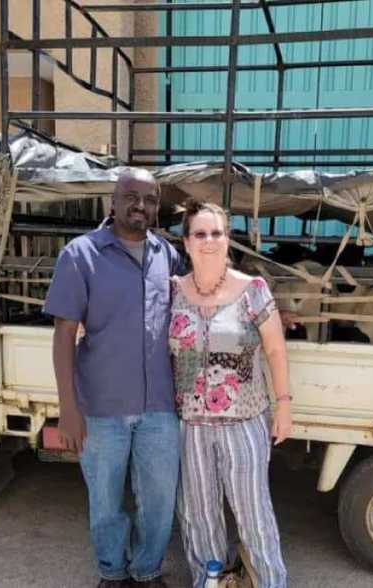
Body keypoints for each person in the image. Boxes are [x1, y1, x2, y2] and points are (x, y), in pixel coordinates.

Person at [45, 169, 182, 588]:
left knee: (159, 502)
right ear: (113, 202)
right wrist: (68, 410)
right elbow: (64, 335)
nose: (140, 205)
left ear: (158, 206)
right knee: (105, 503)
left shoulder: (168, 255)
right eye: (131, 196)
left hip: (159, 406)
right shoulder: (80, 254)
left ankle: (147, 571)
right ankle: (112, 573)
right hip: (101, 407)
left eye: (150, 198)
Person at [168, 199, 291, 588]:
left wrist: (283, 406)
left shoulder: (252, 289)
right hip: (191, 427)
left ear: (227, 239)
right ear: (186, 243)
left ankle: (270, 582)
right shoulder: (172, 291)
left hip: (244, 423)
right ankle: (212, 582)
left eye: (216, 233)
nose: (209, 240)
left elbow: (275, 349)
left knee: (253, 513)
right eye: (200, 233)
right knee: (198, 515)